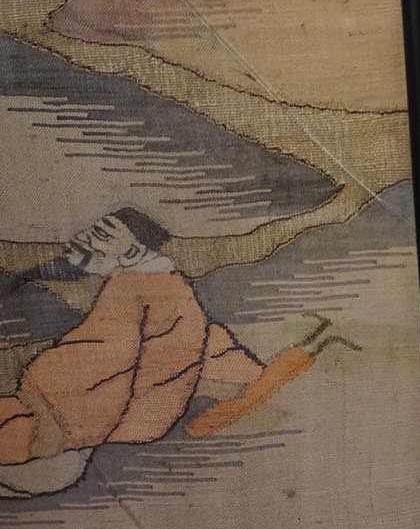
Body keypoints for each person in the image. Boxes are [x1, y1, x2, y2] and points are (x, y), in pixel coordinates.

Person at [0, 208, 356, 497]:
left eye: (101, 235)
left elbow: (107, 357)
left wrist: (47, 400)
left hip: (97, 414)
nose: (83, 238)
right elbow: (202, 346)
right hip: (137, 410)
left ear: (133, 251)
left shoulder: (134, 289)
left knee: (17, 428)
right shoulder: (167, 286)